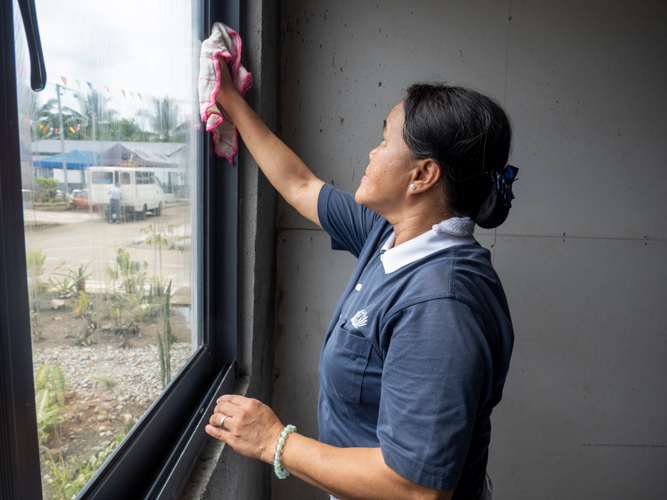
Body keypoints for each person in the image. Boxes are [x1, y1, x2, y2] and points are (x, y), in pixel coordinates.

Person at [205, 55, 517, 500]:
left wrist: (275, 442)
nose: (373, 152)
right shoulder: (391, 232)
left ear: (422, 175)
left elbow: (415, 488)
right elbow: (299, 185)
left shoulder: (441, 306)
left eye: (385, 140)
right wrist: (230, 101)